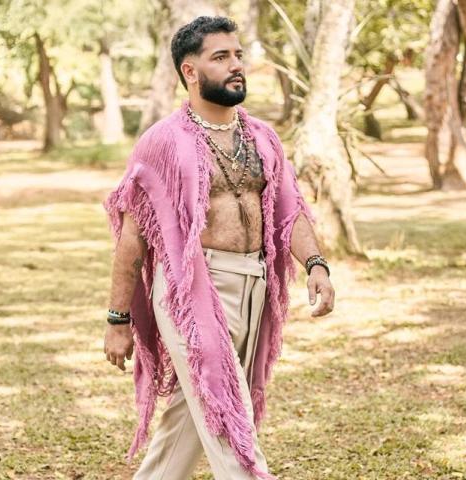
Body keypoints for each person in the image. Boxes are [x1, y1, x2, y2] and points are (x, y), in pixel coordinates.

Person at [102, 16, 335, 480]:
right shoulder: (162, 143)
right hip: (192, 291)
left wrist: (316, 264)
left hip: (253, 285)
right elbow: (132, 238)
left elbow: (288, 209)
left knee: (189, 419)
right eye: (221, 57)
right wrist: (117, 319)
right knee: (227, 409)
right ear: (190, 71)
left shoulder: (261, 136)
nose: (236, 66)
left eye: (238, 55)